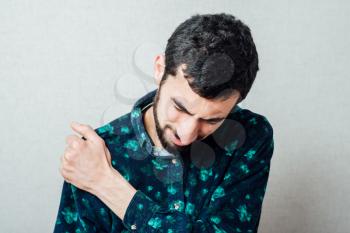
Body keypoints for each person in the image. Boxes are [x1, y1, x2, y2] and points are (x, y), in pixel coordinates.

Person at [53, 13, 275, 233]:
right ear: (160, 69)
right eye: (179, 107)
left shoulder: (250, 136)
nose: (187, 134)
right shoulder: (93, 157)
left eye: (212, 120)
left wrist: (106, 185)